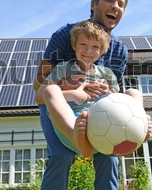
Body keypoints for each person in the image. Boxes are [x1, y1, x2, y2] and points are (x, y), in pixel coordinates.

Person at [34, 0, 151, 190]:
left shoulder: (119, 50)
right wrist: (72, 88)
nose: (116, 6)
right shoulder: (65, 35)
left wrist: (110, 94)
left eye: (121, 3)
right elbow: (40, 87)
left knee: (110, 158)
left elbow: (116, 96)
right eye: (110, 0)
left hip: (99, 113)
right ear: (93, 4)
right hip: (60, 108)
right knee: (62, 157)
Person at [35, 20, 145, 158]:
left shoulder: (107, 74)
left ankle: (139, 127)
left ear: (101, 51)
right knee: (50, 90)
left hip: (103, 125)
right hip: (74, 124)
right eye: (83, 45)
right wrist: (74, 94)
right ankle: (76, 137)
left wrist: (109, 94)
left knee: (133, 93)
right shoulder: (64, 68)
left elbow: (119, 100)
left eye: (95, 47)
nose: (88, 51)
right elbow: (39, 96)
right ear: (74, 46)